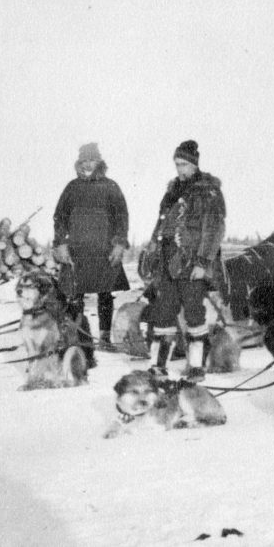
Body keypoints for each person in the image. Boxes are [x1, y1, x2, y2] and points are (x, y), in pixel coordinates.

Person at [146, 140, 226, 381]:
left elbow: (214, 229)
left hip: (192, 262)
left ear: (194, 164)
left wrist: (203, 263)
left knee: (194, 313)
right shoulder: (172, 191)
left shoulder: (208, 191)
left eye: (184, 164)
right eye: (177, 164)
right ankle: (158, 366)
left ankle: (196, 366)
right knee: (163, 312)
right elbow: (161, 223)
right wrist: (152, 246)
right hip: (168, 262)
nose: (180, 169)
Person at [52, 143, 131, 364]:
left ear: (99, 162)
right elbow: (59, 218)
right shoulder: (72, 188)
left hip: (104, 249)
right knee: (74, 296)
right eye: (84, 160)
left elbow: (122, 218)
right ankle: (79, 338)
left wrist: (119, 244)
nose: (88, 164)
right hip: (77, 249)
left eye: (91, 160)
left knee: (105, 293)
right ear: (79, 163)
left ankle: (104, 338)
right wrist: (60, 244)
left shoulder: (110, 187)